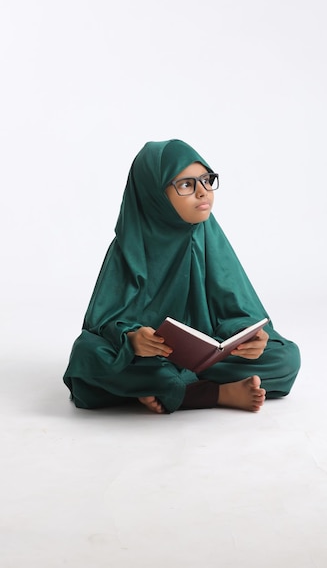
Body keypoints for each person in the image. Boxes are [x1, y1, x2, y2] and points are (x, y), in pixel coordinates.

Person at [63, 139, 300, 414]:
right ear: (155, 194)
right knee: (87, 355)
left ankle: (166, 389)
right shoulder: (130, 243)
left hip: (204, 356)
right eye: (187, 185)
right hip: (150, 359)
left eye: (207, 180)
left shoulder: (208, 234)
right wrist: (131, 338)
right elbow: (102, 322)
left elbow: (235, 306)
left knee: (286, 356)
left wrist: (248, 338)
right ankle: (212, 393)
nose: (203, 193)